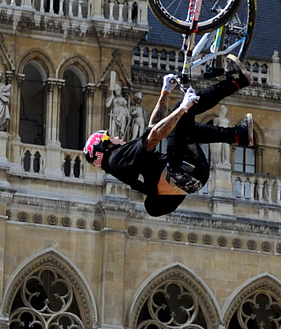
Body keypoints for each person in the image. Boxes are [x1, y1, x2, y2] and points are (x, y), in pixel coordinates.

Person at [84, 55, 254, 217]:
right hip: (183, 169)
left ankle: (239, 135)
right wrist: (182, 109)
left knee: (184, 127)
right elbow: (155, 136)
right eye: (110, 137)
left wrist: (164, 94)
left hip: (192, 177)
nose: (116, 137)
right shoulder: (118, 158)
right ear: (106, 146)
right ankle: (237, 81)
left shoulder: (122, 164)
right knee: (181, 113)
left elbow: (152, 128)